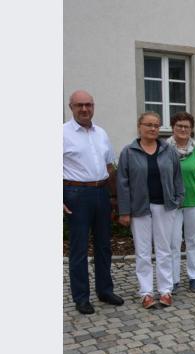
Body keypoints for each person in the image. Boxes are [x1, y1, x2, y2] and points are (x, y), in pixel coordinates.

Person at [63, 90, 125, 314]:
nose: (84, 109)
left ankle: (105, 290)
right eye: (79, 105)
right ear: (71, 107)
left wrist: (114, 197)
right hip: (76, 194)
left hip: (101, 193)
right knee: (79, 248)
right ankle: (81, 297)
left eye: (88, 104)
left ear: (93, 106)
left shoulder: (101, 133)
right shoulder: (62, 133)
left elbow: (109, 167)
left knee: (104, 245)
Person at [117, 112, 185, 309]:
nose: (153, 128)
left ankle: (165, 290)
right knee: (143, 251)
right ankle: (146, 292)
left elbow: (177, 177)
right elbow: (122, 184)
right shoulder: (128, 152)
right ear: (139, 126)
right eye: (148, 125)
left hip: (165, 206)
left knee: (164, 250)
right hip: (139, 208)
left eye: (156, 125)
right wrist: (124, 211)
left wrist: (178, 198)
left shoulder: (168, 150)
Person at [168, 112, 195, 293]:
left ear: (191, 129)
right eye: (179, 125)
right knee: (173, 243)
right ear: (173, 127)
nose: (183, 129)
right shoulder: (164, 149)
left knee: (194, 241)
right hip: (172, 204)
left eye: (186, 126)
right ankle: (173, 280)